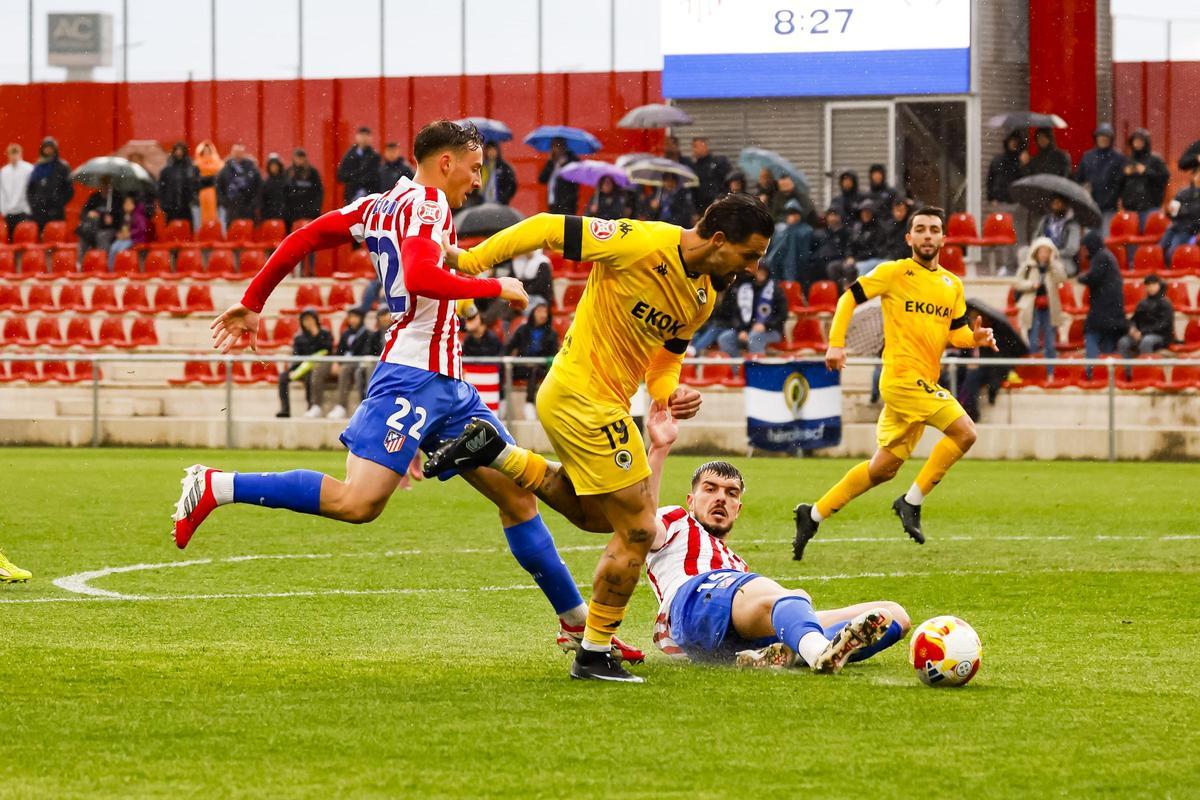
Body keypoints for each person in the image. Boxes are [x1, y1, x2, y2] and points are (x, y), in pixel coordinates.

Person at [175, 120, 645, 668]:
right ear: (445, 162)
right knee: (359, 503)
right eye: (473, 169)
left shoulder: (380, 204)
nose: (476, 181)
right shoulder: (428, 205)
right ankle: (214, 484)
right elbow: (421, 276)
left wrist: (255, 300)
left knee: (516, 497)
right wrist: (496, 287)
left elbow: (306, 237)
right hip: (412, 376)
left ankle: (578, 625)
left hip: (448, 384)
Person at [422, 192, 775, 682]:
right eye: (750, 254)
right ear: (718, 240)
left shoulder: (703, 296)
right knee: (640, 529)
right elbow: (547, 225)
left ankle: (497, 452)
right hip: (580, 397)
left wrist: (671, 391)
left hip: (599, 405)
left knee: (596, 517)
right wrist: (471, 260)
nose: (754, 268)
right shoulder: (640, 242)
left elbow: (666, 358)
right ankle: (594, 651)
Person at [792, 207, 998, 558]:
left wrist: (974, 338)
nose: (928, 235)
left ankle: (811, 515)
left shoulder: (952, 285)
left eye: (934, 229)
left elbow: (955, 333)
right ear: (909, 238)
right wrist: (836, 344)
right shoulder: (893, 273)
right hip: (901, 379)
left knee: (882, 470)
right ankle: (911, 501)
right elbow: (848, 298)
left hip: (922, 383)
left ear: (944, 238)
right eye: (920, 229)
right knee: (965, 431)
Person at [642, 403, 907, 669]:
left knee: (895, 615)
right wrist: (659, 449)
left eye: (731, 493)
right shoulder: (676, 521)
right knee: (787, 597)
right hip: (693, 602)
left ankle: (781, 654)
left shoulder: (735, 564)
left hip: (722, 637)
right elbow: (640, 524)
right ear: (691, 500)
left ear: (738, 509)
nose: (721, 497)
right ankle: (817, 652)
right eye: (710, 489)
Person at [1015, 237, 1068, 373]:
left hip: (1050, 309)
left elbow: (1062, 278)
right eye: (1041, 251)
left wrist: (1054, 263)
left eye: (1047, 252)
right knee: (1033, 342)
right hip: (1033, 308)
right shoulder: (1028, 266)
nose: (1044, 255)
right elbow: (1017, 283)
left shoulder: (1054, 267)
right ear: (1036, 252)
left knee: (1050, 343)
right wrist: (1031, 285)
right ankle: (1034, 372)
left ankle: (1050, 372)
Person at [1076, 231, 1126, 374]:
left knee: (1091, 336)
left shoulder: (1101, 257)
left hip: (1103, 311)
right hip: (1113, 313)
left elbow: (1093, 277)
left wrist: (1081, 278)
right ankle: (1105, 376)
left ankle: (1091, 373)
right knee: (1108, 344)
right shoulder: (1108, 256)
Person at [713, 262, 788, 357]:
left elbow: (782, 315)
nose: (760, 275)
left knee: (755, 337)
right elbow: (736, 314)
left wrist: (765, 325)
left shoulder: (776, 291)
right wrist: (741, 330)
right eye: (758, 272)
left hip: (772, 331)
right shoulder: (745, 289)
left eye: (763, 272)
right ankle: (739, 369)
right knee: (724, 338)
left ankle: (756, 369)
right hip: (747, 330)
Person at [506, 298, 559, 418]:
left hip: (540, 369)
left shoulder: (551, 334)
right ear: (533, 312)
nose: (542, 315)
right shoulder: (522, 330)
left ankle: (529, 403)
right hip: (522, 366)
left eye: (545, 312)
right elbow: (509, 346)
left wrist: (538, 363)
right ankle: (502, 401)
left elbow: (553, 355)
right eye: (539, 311)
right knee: (505, 368)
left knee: (534, 371)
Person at [276, 309, 334, 419]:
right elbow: (296, 355)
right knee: (283, 377)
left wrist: (316, 334)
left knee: (310, 376)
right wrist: (293, 369)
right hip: (302, 366)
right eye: (305, 320)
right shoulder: (299, 337)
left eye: (310, 319)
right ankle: (285, 409)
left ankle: (311, 406)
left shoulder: (324, 333)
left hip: (317, 366)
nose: (308, 322)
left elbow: (328, 349)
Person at [1073, 124, 1126, 234]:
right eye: (1101, 136)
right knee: (1090, 240)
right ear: (1096, 138)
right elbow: (1078, 178)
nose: (1103, 139)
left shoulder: (1118, 158)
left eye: (1106, 136)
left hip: (1110, 208)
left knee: (1107, 240)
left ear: (1111, 139)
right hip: (1091, 207)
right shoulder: (1087, 156)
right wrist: (1084, 188)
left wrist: (1114, 198)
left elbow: (1121, 182)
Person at [325, 308, 375, 420]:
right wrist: (337, 362)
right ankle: (340, 406)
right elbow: (340, 351)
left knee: (346, 369)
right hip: (347, 363)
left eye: (355, 317)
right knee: (343, 368)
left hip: (359, 363)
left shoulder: (367, 333)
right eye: (351, 317)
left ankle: (358, 404)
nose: (352, 320)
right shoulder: (346, 333)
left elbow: (366, 352)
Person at [1118, 129, 1169, 228]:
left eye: (1141, 141)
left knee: (1148, 236)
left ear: (1146, 143)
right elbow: (1118, 184)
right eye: (1135, 141)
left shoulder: (1155, 159)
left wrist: (1146, 171)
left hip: (1150, 207)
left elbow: (1164, 179)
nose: (1137, 144)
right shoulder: (1127, 160)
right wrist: (1124, 174)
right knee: (1130, 239)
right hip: (1130, 208)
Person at [1117, 274, 1174, 359]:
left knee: (1146, 342)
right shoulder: (1142, 303)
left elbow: (1164, 324)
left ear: (1159, 285)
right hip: (1141, 334)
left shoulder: (1166, 303)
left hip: (1161, 336)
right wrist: (1132, 329)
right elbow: (1134, 319)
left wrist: (1143, 332)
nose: (1151, 287)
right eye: (1148, 285)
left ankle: (1147, 370)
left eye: (1153, 284)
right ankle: (1127, 370)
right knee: (1123, 342)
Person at [26, 136, 73, 232]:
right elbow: (30, 189)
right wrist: (34, 204)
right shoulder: (37, 167)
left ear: (55, 149)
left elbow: (69, 190)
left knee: (54, 238)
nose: (48, 150)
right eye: (45, 147)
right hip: (38, 212)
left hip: (55, 212)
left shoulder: (62, 167)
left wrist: (58, 203)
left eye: (50, 147)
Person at [763, 198, 814, 284]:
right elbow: (771, 248)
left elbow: (804, 254)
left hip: (798, 265)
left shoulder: (806, 230)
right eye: (789, 213)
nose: (792, 216)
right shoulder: (778, 228)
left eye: (794, 213)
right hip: (776, 262)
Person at [1159, 166, 1200, 262]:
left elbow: (1195, 214)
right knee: (1159, 249)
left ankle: (1172, 271)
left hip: (1189, 229)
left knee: (1172, 252)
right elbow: (1173, 213)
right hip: (1175, 226)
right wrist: (1169, 211)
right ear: (1193, 176)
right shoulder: (1182, 192)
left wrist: (1182, 211)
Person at [1031, 194, 1082, 267]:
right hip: (1042, 253)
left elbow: (1072, 249)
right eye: (1054, 203)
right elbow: (1035, 237)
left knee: (1056, 265)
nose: (1056, 205)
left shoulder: (1072, 225)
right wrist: (1040, 250)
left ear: (1065, 205)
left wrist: (1053, 253)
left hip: (1062, 258)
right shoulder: (1046, 220)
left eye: (1059, 203)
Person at [217, 144, 262, 223]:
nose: (238, 155)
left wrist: (254, 203)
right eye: (236, 152)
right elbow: (219, 186)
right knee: (232, 230)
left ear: (243, 154)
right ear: (232, 153)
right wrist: (224, 202)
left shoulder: (251, 168)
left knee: (247, 228)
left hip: (248, 206)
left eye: (240, 153)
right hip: (231, 207)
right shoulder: (226, 169)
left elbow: (259, 187)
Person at [158, 142, 199, 225]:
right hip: (171, 206)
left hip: (187, 205)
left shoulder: (191, 168)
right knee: (171, 230)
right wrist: (164, 204)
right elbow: (161, 188)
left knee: (187, 229)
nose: (179, 153)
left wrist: (193, 199)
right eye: (177, 150)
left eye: (181, 150)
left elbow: (197, 185)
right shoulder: (167, 170)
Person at [337, 126, 382, 203]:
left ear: (370, 138)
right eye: (362, 135)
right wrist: (358, 176)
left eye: (366, 136)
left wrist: (354, 177)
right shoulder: (349, 155)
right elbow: (341, 175)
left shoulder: (374, 156)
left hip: (369, 196)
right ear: (356, 137)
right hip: (351, 195)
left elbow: (374, 176)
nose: (364, 138)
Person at [813, 207, 854, 289]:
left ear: (840, 217)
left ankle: (839, 292)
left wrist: (849, 256)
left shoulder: (846, 232)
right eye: (830, 215)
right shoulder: (820, 233)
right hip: (822, 261)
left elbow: (849, 247)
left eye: (835, 215)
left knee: (833, 268)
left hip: (839, 260)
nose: (833, 218)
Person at [283, 149, 324, 228]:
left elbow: (319, 191)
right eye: (297, 158)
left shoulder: (313, 172)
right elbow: (285, 191)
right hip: (293, 210)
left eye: (300, 158)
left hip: (309, 209)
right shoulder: (289, 172)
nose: (299, 161)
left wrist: (315, 207)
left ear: (305, 158)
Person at [538, 138, 579, 215]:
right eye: (553, 146)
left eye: (558, 146)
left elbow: (575, 180)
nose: (556, 149)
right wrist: (550, 162)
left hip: (567, 203)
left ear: (564, 147)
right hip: (553, 201)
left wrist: (564, 164)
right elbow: (542, 179)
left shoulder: (572, 160)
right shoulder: (552, 162)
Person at [1, 143, 35, 237]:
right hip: (9, 212)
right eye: (12, 154)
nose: (14, 156)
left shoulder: (28, 169)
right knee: (11, 239)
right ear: (8, 155)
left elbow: (32, 190)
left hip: (24, 211)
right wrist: (4, 210)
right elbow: (2, 192)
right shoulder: (4, 171)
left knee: (23, 237)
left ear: (20, 154)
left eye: (16, 153)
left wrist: (29, 208)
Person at [849, 198, 890, 275]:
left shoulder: (880, 228)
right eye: (863, 212)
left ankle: (860, 287)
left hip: (875, 259)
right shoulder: (857, 227)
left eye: (868, 212)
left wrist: (857, 258)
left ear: (873, 214)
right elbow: (851, 244)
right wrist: (849, 256)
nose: (865, 214)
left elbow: (877, 250)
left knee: (861, 268)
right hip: (859, 259)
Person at [690, 137, 730, 212]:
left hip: (719, 205)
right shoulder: (694, 167)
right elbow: (693, 191)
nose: (694, 150)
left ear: (704, 145)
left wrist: (721, 197)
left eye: (696, 146)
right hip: (702, 208)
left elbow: (727, 182)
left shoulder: (718, 163)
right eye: (693, 147)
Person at [108, 195, 148, 265]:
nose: (126, 205)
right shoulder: (124, 215)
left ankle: (121, 267)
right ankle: (112, 269)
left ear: (134, 205)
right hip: (124, 239)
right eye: (125, 203)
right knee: (113, 248)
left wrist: (130, 234)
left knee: (121, 250)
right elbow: (122, 228)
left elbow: (142, 229)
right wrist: (120, 234)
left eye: (128, 203)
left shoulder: (138, 216)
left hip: (135, 239)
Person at [193, 140, 224, 228]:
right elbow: (195, 182)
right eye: (204, 152)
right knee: (199, 223)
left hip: (217, 198)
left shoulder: (220, 165)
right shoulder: (196, 165)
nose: (206, 154)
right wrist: (211, 179)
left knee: (219, 220)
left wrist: (206, 179)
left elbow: (221, 181)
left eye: (208, 151)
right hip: (200, 199)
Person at [475, 142, 517, 206]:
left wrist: (504, 198)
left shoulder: (504, 167)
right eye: (489, 150)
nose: (491, 152)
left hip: (499, 204)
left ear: (498, 151)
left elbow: (511, 184)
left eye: (493, 149)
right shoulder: (481, 166)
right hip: (482, 203)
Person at [260, 154, 288, 222]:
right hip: (270, 214)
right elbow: (263, 199)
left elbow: (288, 197)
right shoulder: (266, 182)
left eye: (275, 165)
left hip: (284, 214)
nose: (274, 168)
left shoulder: (285, 180)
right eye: (272, 166)